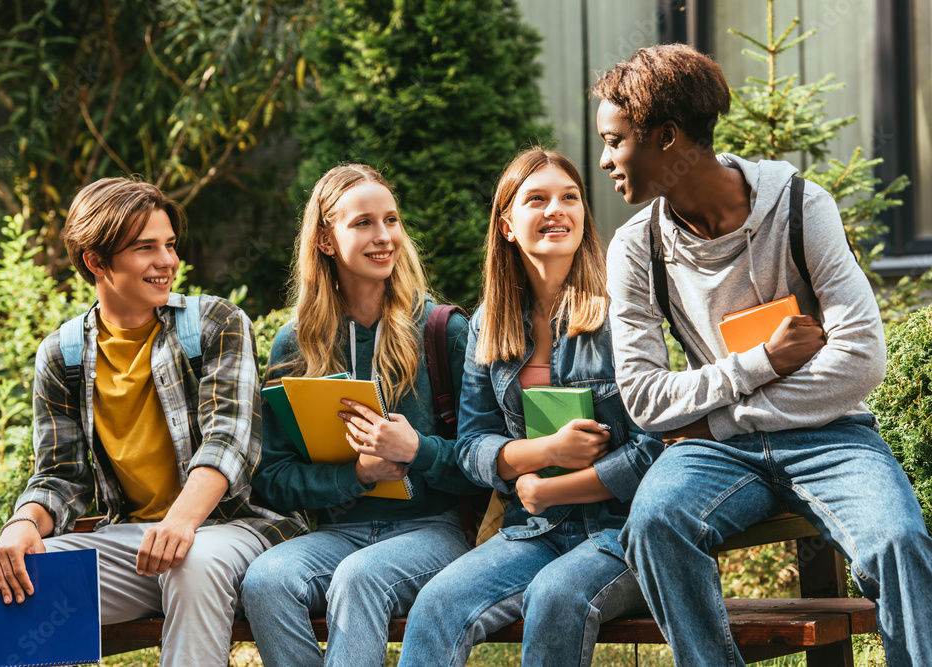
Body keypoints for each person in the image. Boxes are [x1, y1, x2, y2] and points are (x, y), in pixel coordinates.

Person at [593, 44, 932, 667]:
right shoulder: (634, 248)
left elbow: (861, 360)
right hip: (714, 455)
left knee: (898, 541)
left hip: (830, 435)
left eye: (616, 141)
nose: (607, 160)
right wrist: (762, 364)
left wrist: (719, 415)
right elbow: (642, 396)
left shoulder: (803, 206)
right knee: (655, 526)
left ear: (667, 137)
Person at [0, 177, 304, 666]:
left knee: (191, 562)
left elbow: (229, 441)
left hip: (235, 530)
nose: (167, 262)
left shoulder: (217, 323)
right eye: (145, 248)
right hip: (136, 542)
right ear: (96, 261)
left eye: (170, 245)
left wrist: (180, 523)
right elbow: (59, 477)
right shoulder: (62, 355)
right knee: (8, 584)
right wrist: (22, 525)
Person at [397, 149, 664, 667]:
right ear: (507, 225)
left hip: (620, 531)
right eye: (536, 199)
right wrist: (541, 451)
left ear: (585, 217)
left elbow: (654, 450)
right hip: (533, 530)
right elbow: (471, 447)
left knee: (557, 597)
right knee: (436, 602)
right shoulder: (488, 325)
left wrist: (550, 487)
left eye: (570, 198)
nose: (556, 210)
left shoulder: (620, 313)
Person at [240, 164, 479, 667]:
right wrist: (356, 476)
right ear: (326, 240)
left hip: (433, 531)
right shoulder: (296, 344)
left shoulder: (443, 330)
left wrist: (418, 450)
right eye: (363, 223)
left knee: (361, 576)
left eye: (391, 220)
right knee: (266, 581)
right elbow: (273, 480)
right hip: (336, 534)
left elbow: (484, 466)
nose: (384, 237)